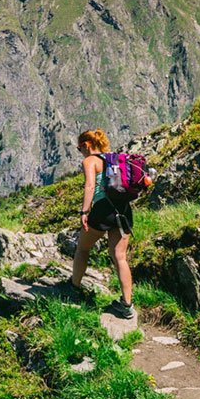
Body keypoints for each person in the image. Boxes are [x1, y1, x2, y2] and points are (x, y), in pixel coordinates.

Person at [70, 129, 135, 319]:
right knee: (120, 256)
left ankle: (74, 287)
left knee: (82, 248)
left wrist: (84, 211)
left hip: (102, 210)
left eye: (79, 147)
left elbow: (90, 186)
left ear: (87, 145)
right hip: (123, 210)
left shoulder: (90, 161)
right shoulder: (114, 160)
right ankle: (127, 304)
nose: (80, 151)